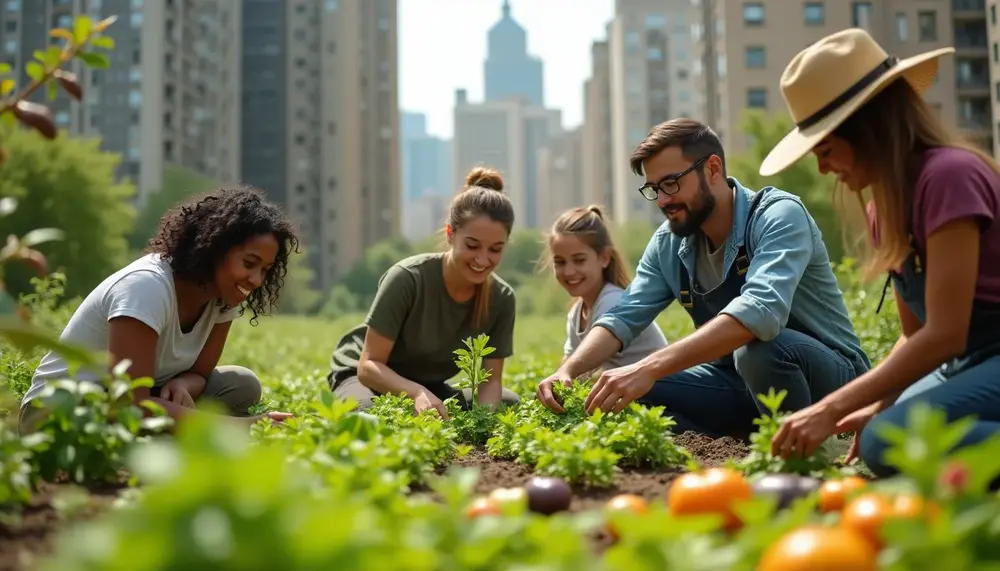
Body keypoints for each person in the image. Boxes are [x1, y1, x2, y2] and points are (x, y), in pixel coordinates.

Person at [536, 117, 871, 440]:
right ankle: (736, 443)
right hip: (736, 381)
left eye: (671, 183)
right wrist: (570, 370)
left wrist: (649, 367)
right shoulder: (668, 244)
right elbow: (623, 316)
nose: (664, 200)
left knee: (759, 352)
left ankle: (816, 448)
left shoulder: (777, 216)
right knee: (618, 388)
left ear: (712, 169)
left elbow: (759, 313)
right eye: (655, 189)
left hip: (831, 382)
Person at [764, 29, 1000, 475]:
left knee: (892, 441)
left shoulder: (949, 176)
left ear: (869, 128)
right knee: (884, 431)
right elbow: (915, 336)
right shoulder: (883, 211)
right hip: (968, 364)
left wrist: (829, 408)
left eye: (827, 149)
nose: (822, 168)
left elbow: (946, 333)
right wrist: (879, 403)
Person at [18, 184, 299, 434]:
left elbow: (200, 373)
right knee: (142, 419)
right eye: (249, 264)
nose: (257, 280)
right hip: (65, 408)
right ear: (214, 248)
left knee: (241, 384)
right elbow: (130, 403)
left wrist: (185, 385)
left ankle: (167, 436)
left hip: (139, 398)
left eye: (265, 269)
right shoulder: (146, 287)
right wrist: (242, 427)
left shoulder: (222, 299)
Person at [328, 166, 521, 418]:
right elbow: (368, 366)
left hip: (425, 384)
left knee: (507, 402)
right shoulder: (408, 278)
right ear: (451, 234)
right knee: (370, 415)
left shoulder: (502, 298)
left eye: (496, 249)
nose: (483, 260)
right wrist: (416, 393)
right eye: (472, 245)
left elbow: (491, 382)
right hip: (368, 376)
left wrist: (481, 422)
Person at [543, 204, 668, 380]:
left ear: (604, 258)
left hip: (655, 393)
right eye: (560, 262)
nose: (569, 271)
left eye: (579, 260)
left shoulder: (612, 302)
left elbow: (584, 373)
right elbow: (569, 364)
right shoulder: (577, 312)